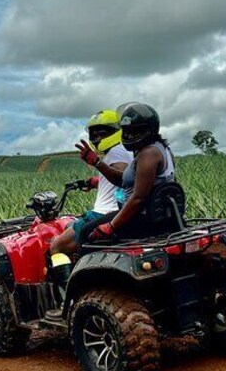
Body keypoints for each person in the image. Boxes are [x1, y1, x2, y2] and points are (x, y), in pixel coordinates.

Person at [47, 110, 132, 292]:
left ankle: (66, 295)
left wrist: (96, 164)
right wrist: (95, 182)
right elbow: (122, 182)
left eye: (102, 132)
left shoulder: (117, 152)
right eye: (94, 133)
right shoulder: (123, 150)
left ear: (116, 131)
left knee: (57, 246)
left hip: (103, 214)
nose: (97, 137)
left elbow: (122, 177)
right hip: (116, 210)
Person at [80, 102, 176, 242]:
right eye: (126, 131)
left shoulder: (148, 154)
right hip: (156, 216)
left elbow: (138, 198)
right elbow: (123, 181)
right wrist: (97, 163)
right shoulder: (162, 148)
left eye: (136, 131)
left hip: (142, 218)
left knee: (85, 233)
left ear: (150, 130)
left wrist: (111, 226)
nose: (130, 136)